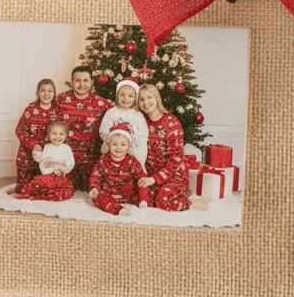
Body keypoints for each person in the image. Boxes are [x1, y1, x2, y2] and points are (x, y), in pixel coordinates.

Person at [138, 83, 206, 212]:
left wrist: (155, 179)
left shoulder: (171, 121)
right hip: (150, 174)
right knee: (142, 199)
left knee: (162, 201)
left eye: (149, 97)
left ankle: (188, 203)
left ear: (157, 98)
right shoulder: (141, 121)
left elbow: (176, 158)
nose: (145, 102)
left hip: (173, 175)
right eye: (141, 99)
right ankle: (179, 195)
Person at [55, 66, 111, 190]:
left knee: (97, 191)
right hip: (65, 160)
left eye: (85, 80)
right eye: (77, 80)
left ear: (91, 82)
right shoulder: (60, 100)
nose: (81, 84)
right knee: (59, 190)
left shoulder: (102, 104)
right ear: (72, 82)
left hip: (90, 162)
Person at [88, 125, 152, 216]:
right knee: (97, 198)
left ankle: (143, 202)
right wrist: (94, 188)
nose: (118, 148)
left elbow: (142, 179)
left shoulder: (132, 161)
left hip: (130, 194)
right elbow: (96, 175)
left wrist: (143, 199)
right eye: (114, 144)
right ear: (109, 145)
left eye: (123, 144)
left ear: (129, 147)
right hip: (110, 193)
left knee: (151, 193)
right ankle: (116, 209)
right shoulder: (103, 159)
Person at [13, 79, 58, 194]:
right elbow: (20, 129)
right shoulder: (31, 108)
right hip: (28, 152)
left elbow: (61, 130)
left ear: (54, 93)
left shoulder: (57, 111)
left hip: (48, 152)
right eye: (43, 90)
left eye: (50, 91)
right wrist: (33, 145)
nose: (46, 94)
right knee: (23, 189)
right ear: (37, 93)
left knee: (43, 187)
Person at [98, 78, 149, 170]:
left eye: (130, 96)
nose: (126, 99)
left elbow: (144, 135)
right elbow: (103, 132)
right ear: (117, 96)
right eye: (122, 95)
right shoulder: (111, 113)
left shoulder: (137, 115)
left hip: (133, 151)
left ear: (135, 98)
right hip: (115, 150)